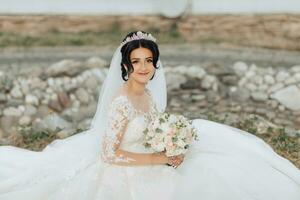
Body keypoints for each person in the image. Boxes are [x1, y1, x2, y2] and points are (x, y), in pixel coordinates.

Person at [0, 30, 300, 200]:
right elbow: (109, 153)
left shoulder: (146, 94)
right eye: (136, 61)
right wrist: (160, 159)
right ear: (126, 67)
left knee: (217, 155)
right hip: (125, 172)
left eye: (149, 61)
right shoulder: (122, 101)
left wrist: (172, 143)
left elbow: (152, 128)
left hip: (151, 155)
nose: (144, 67)